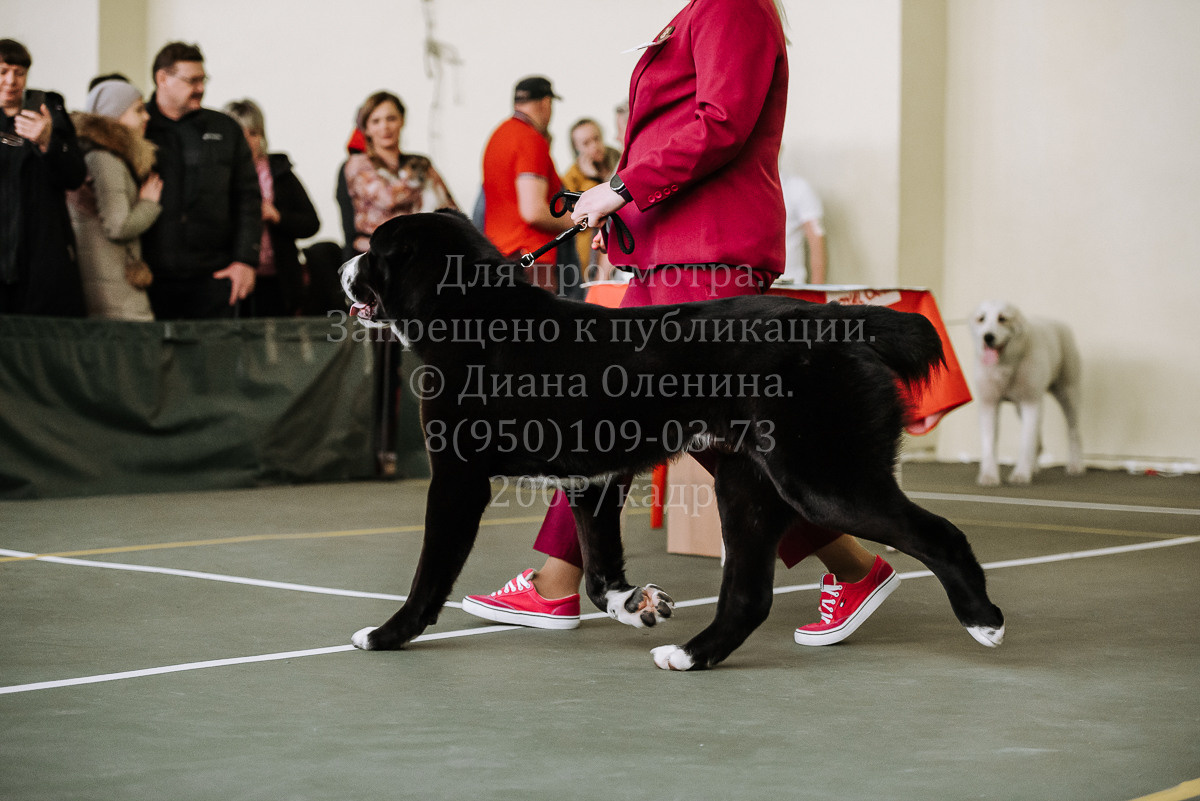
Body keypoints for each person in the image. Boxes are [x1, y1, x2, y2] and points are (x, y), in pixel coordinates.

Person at [461, 0, 899, 647]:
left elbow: (721, 121)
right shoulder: (699, 11)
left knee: (717, 433)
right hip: (673, 258)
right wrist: (624, 209)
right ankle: (556, 581)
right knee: (604, 413)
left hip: (707, 257)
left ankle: (855, 565)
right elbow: (674, 134)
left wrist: (621, 188)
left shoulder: (731, 5)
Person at [141, 41, 261, 320]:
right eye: (191, 80)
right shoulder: (139, 127)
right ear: (163, 79)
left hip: (215, 275)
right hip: (149, 276)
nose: (200, 88)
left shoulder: (225, 128)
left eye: (202, 79)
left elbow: (248, 197)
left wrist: (245, 260)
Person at [0, 38, 86, 317]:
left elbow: (75, 176)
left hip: (41, 254)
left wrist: (47, 142)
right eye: (2, 72)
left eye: (19, 72)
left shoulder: (48, 110)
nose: (11, 81)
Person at [67, 79, 162, 320]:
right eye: (138, 110)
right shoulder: (105, 159)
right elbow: (118, 226)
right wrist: (149, 204)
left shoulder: (99, 155)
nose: (146, 116)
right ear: (114, 114)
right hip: (115, 288)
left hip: (108, 282)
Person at [224, 99, 320, 317]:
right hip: (235, 277)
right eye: (241, 133)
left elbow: (311, 223)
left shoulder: (280, 171)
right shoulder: (219, 175)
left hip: (279, 280)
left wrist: (277, 216)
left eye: (254, 133)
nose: (249, 140)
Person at [481, 76, 575, 294]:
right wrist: (574, 221)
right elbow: (533, 211)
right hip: (531, 257)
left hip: (500, 256)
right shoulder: (530, 139)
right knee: (544, 327)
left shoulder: (498, 136)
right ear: (546, 103)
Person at [343, 91, 456, 255]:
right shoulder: (358, 164)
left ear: (402, 121)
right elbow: (387, 198)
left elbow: (449, 207)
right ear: (366, 128)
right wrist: (420, 178)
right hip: (378, 254)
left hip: (422, 249)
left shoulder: (418, 162)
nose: (385, 127)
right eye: (376, 121)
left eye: (391, 119)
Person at [560, 118, 620, 281]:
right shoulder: (572, 178)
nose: (594, 146)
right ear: (576, 149)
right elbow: (579, 216)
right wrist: (592, 179)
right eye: (586, 143)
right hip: (589, 251)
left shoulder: (618, 159)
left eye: (596, 139)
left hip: (619, 242)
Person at [780, 173, 827, 284]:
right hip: (749, 284)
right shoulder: (742, 185)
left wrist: (817, 291)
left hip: (790, 284)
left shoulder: (797, 188)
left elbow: (816, 237)